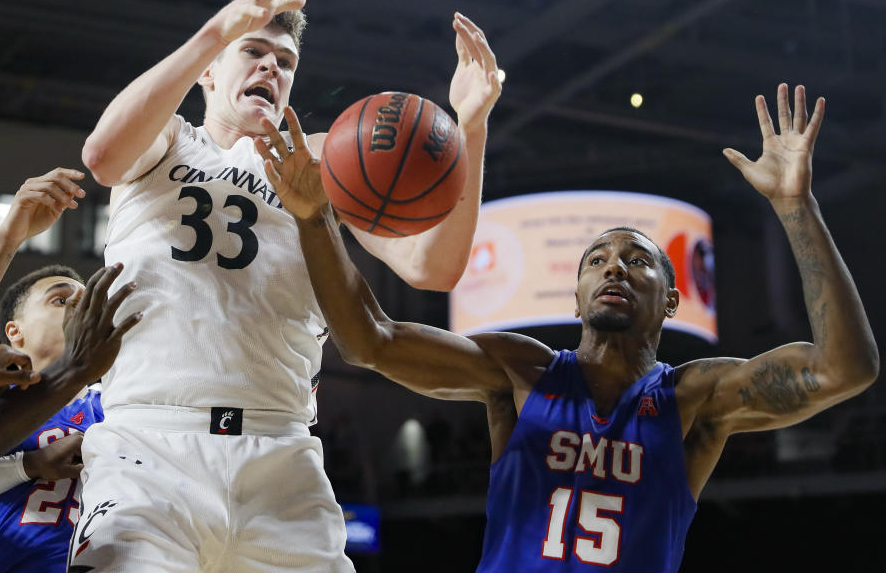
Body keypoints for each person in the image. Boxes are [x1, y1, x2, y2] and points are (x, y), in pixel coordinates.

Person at [266, 83, 879, 572]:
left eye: (637, 260)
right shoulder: (521, 370)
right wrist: (316, 218)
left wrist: (798, 206)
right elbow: (368, 342)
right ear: (577, 295)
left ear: (670, 301)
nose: (614, 265)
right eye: (597, 260)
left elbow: (845, 369)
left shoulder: (694, 397)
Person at [72, 0, 500, 571]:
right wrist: (219, 29)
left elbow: (434, 266)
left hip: (280, 450)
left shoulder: (324, 159)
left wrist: (471, 128)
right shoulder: (168, 140)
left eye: (285, 60)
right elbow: (102, 155)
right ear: (210, 71)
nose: (272, 67)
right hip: (150, 442)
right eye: (253, 51)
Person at [0, 169, 122, 572]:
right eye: (59, 298)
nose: (77, 305)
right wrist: (7, 239)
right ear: (14, 333)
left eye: (85, 300)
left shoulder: (126, 396)